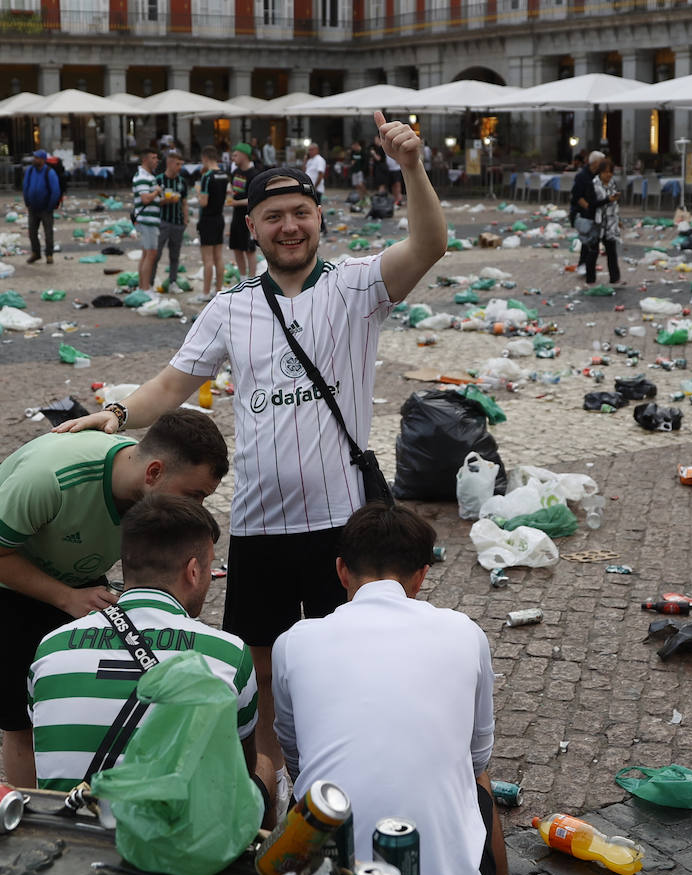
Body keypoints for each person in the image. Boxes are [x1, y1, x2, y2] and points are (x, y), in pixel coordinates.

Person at [55, 111, 448, 809]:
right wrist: (116, 413)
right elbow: (174, 387)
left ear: (319, 220)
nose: (289, 226)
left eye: (300, 212)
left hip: (340, 524)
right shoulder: (231, 306)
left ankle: (335, 778)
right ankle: (266, 787)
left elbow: (430, 243)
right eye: (273, 216)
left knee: (343, 662)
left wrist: (411, 167)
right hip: (262, 524)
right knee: (260, 668)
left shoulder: (358, 287)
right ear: (253, 230)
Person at [273, 503, 507, 875]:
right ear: (421, 576)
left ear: (342, 570)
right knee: (480, 785)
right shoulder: (465, 633)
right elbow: (476, 759)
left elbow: (295, 758)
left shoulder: (294, 642)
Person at [0, 410, 228, 788]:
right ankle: (33, 818)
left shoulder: (144, 484)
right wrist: (66, 597)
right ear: (153, 473)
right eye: (194, 496)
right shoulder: (49, 479)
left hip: (80, 583)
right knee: (21, 723)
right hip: (11, 586)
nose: (196, 509)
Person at [28, 494, 272, 813]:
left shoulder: (51, 647)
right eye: (210, 566)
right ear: (193, 571)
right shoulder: (228, 653)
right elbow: (237, 772)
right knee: (265, 768)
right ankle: (248, 859)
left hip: (70, 825)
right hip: (168, 840)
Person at [151, 150, 191, 293]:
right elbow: (153, 202)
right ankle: (151, 281)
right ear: (169, 163)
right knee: (156, 254)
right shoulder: (159, 180)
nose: (179, 167)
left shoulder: (182, 182)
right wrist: (166, 200)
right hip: (163, 221)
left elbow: (185, 202)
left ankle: (173, 282)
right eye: (177, 164)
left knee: (175, 255)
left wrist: (186, 219)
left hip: (178, 223)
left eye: (181, 164)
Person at [197, 145, 230, 301]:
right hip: (219, 217)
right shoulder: (224, 175)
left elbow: (203, 202)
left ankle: (205, 292)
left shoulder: (207, 176)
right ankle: (218, 290)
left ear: (205, 158)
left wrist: (198, 190)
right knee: (219, 257)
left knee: (207, 259)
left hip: (207, 219)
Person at [22, 149, 62, 266]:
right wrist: (27, 201)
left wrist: (50, 206)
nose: (35, 160)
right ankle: (36, 252)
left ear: (43, 160)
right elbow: (26, 186)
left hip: (45, 208)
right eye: (34, 157)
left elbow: (55, 191)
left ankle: (49, 254)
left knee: (48, 232)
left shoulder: (49, 172)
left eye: (37, 158)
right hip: (33, 208)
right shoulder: (30, 171)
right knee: (32, 232)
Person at [227, 142, 260, 281]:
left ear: (244, 155)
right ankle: (242, 278)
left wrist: (236, 202)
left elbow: (255, 199)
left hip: (249, 216)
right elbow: (234, 190)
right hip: (236, 216)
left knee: (249, 249)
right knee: (236, 247)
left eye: (235, 155)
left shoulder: (254, 175)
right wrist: (229, 193)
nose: (232, 157)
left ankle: (252, 280)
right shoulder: (235, 172)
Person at [571, 150, 605, 285]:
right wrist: (589, 209)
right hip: (584, 214)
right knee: (589, 241)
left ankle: (585, 267)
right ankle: (585, 268)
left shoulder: (598, 176)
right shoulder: (582, 176)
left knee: (591, 242)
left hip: (594, 213)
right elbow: (577, 197)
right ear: (595, 163)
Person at [133, 148, 162, 292]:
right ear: (145, 159)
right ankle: (145, 288)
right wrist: (157, 191)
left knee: (146, 254)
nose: (156, 161)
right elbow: (145, 199)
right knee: (151, 254)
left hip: (150, 219)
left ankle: (142, 286)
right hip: (147, 220)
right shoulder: (142, 177)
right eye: (153, 158)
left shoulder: (149, 176)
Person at [593, 158, 622, 286]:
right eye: (605, 172)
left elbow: (614, 204)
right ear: (600, 172)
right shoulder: (594, 184)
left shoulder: (612, 184)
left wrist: (617, 219)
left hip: (610, 222)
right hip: (598, 221)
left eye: (610, 172)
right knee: (593, 251)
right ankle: (590, 277)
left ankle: (615, 277)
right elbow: (593, 203)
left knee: (611, 250)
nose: (608, 175)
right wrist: (608, 200)